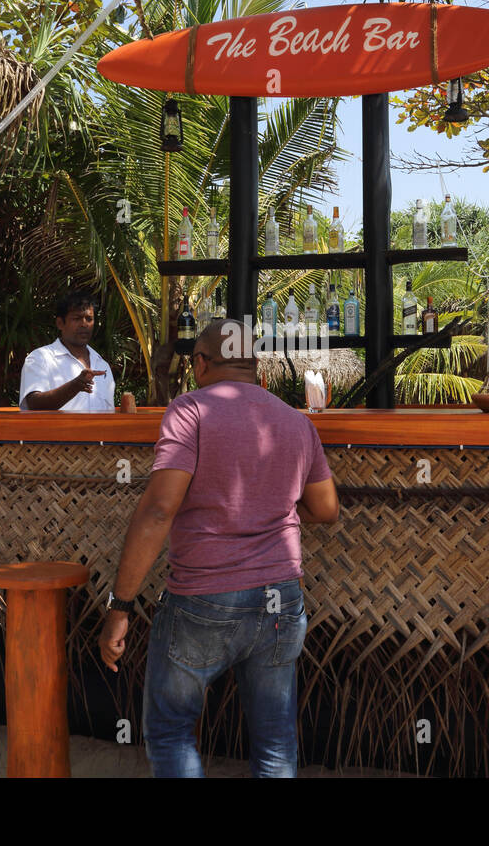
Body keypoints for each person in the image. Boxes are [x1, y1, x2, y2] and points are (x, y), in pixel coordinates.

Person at [98, 318, 339, 777]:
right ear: (255, 367)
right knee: (274, 744)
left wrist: (120, 607)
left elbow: (157, 511)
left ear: (201, 364)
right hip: (280, 600)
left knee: (170, 733)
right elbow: (326, 508)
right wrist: (271, 508)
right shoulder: (294, 420)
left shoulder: (190, 411)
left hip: (202, 598)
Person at [19, 290, 115, 412]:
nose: (84, 324)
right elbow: (33, 404)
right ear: (60, 323)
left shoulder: (102, 365)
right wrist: (74, 386)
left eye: (89, 319)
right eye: (77, 318)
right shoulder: (40, 358)